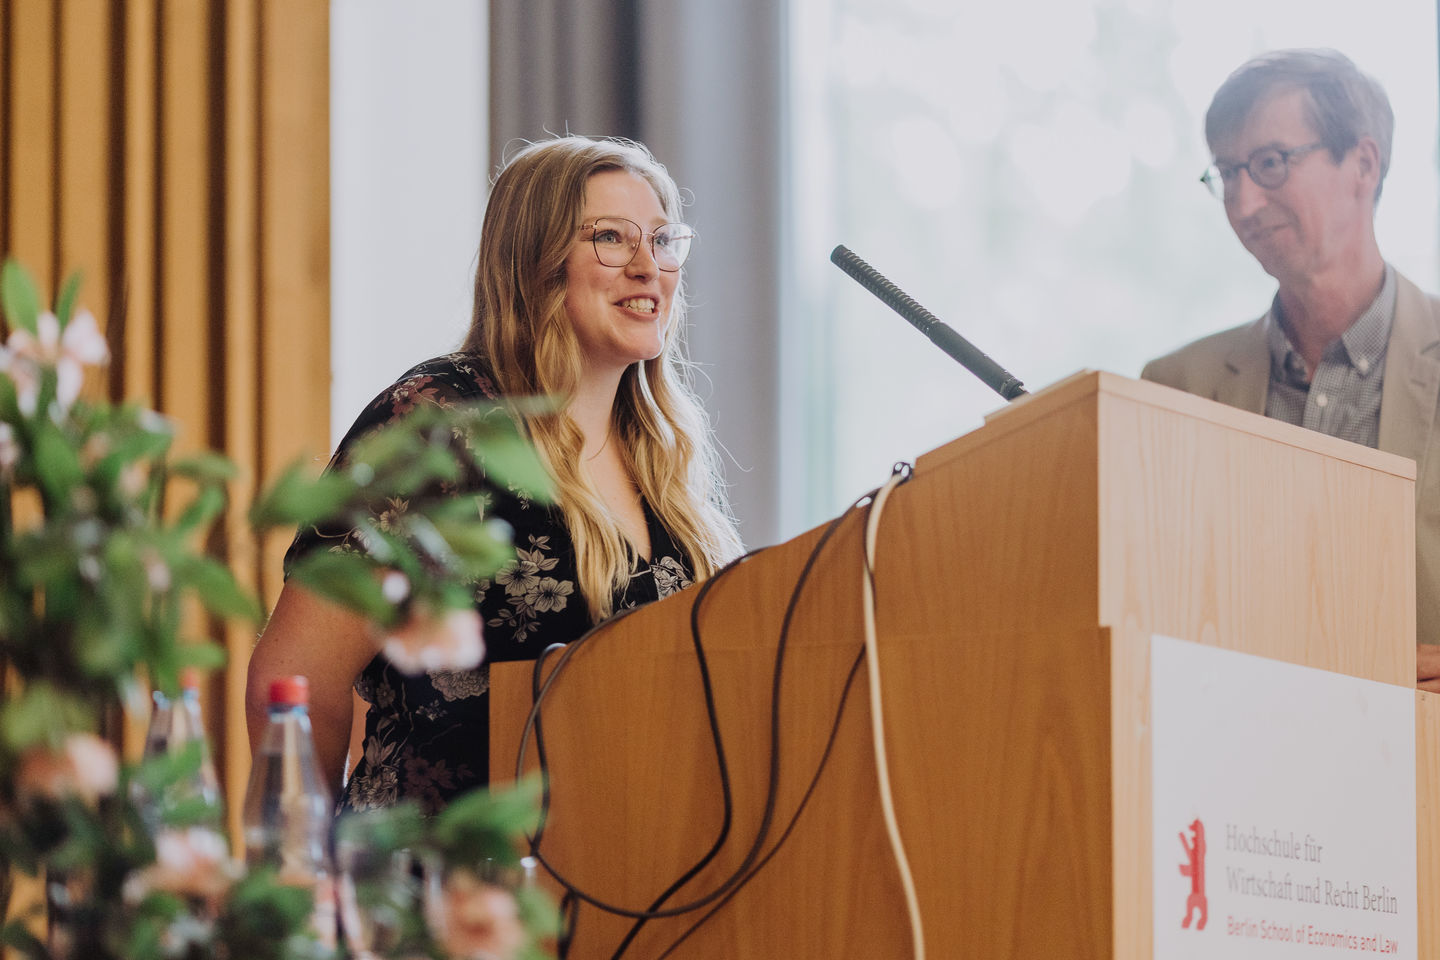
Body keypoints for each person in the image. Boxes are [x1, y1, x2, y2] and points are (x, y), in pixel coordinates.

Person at [246, 136, 744, 812]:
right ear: (536, 262)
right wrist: (301, 880)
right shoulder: (438, 422)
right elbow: (298, 678)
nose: (647, 267)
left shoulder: (662, 450)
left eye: (662, 241)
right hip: (440, 888)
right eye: (610, 238)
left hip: (630, 880)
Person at [1140, 49, 1440, 692]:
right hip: (1233, 769)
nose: (1243, 203)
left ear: (1363, 163)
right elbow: (1152, 618)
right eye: (1226, 172)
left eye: (1270, 164)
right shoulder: (1176, 388)